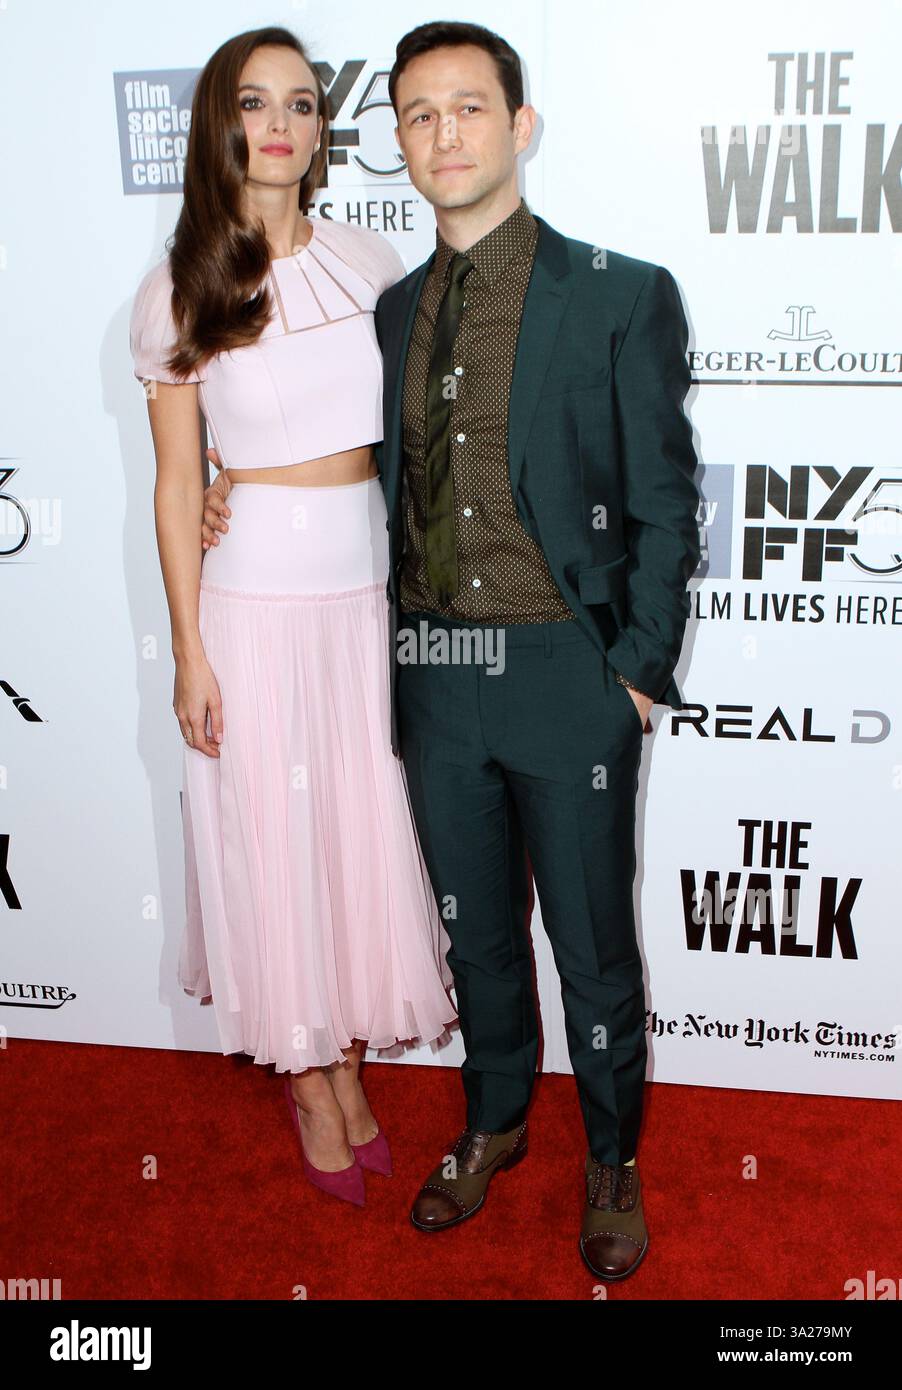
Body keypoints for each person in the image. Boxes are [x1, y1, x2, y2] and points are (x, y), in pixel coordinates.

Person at [203, 19, 700, 1279]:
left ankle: (609, 1155)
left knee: (589, 945)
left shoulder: (618, 291)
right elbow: (325, 442)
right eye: (419, 115)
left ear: (518, 127)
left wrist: (634, 675)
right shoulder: (392, 306)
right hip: (429, 678)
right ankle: (491, 1124)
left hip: (566, 675)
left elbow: (664, 500)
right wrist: (226, 483)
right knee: (473, 934)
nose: (445, 135)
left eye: (469, 109)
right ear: (401, 144)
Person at [129, 25, 457, 1208]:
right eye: (256, 102)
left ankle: (353, 1063)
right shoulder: (179, 288)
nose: (281, 122)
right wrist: (189, 652)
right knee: (275, 845)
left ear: (323, 129)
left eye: (303, 102)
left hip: (363, 601)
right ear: (221, 126)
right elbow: (176, 483)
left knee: (358, 843)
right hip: (253, 607)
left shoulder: (374, 261)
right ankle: (312, 1081)